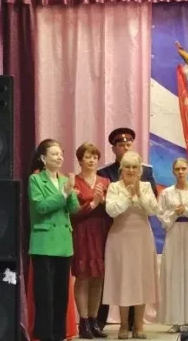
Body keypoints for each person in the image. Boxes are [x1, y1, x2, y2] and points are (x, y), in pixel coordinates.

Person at [96, 127, 158, 331]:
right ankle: (123, 325)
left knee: (142, 279)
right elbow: (112, 210)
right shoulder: (114, 186)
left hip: (141, 236)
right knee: (123, 279)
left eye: (134, 167)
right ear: (121, 169)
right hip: (120, 236)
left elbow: (153, 209)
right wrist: (127, 197)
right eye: (127, 167)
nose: (131, 170)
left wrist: (139, 193)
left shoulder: (145, 185)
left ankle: (138, 325)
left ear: (140, 170)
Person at [28, 139, 80, 341]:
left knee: (61, 295)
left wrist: (71, 193)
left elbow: (73, 209)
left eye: (61, 154)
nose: (60, 158)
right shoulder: (35, 180)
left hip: (64, 243)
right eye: (55, 154)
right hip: (44, 243)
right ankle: (45, 335)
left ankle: (59, 335)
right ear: (43, 158)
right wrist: (63, 193)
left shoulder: (64, 179)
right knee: (45, 295)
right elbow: (40, 207)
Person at [70, 142, 112, 339]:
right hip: (82, 231)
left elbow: (114, 209)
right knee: (83, 277)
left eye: (95, 157)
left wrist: (104, 202)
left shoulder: (105, 181)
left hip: (102, 231)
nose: (92, 160)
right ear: (80, 160)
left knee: (98, 277)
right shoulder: (74, 181)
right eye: (87, 157)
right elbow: (73, 213)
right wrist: (93, 203)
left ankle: (95, 321)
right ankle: (84, 322)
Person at [157, 158, 188, 331]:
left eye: (184, 168)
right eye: (177, 169)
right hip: (174, 234)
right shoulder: (166, 193)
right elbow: (161, 216)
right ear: (173, 171)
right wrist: (174, 213)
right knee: (175, 273)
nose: (181, 172)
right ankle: (176, 319)